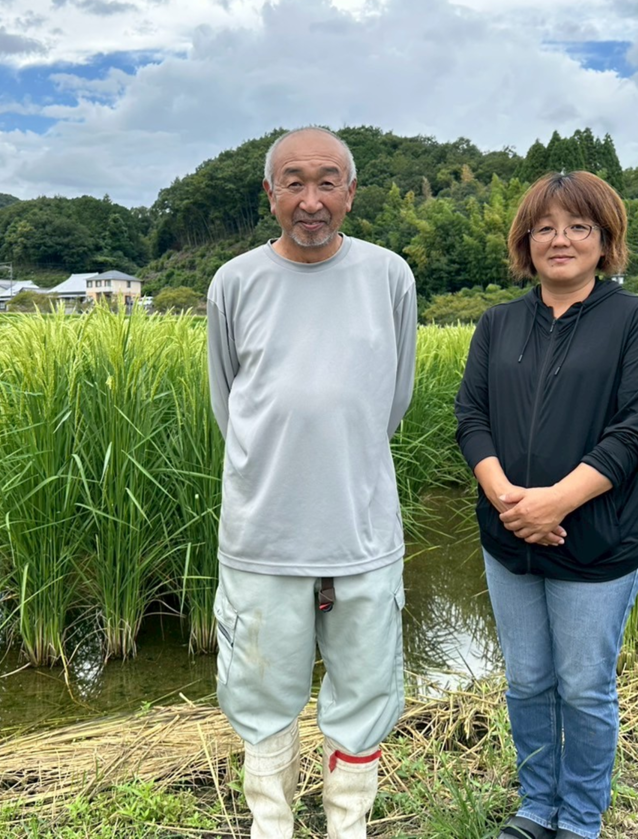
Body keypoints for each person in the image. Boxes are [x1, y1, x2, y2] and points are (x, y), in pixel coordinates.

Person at [206, 126, 417, 839]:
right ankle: (274, 826)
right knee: (259, 693)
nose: (311, 199)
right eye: (293, 182)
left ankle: (347, 824)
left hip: (361, 528)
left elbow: (391, 401)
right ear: (269, 195)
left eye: (328, 181)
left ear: (351, 193)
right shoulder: (233, 283)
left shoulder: (390, 276)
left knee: (366, 689)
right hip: (263, 531)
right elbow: (229, 403)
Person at [454, 171, 638, 839]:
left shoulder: (637, 321)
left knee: (583, 687)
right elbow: (471, 417)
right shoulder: (498, 324)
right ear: (525, 241)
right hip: (509, 541)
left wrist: (555, 503)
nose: (561, 239)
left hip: (598, 543)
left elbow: (636, 432)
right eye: (545, 227)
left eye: (579, 226)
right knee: (525, 682)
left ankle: (579, 819)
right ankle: (535, 808)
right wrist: (509, 502)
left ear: (605, 240)